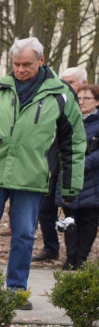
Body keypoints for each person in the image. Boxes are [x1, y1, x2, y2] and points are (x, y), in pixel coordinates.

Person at [0, 37, 85, 311]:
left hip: (31, 176)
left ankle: (16, 290)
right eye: (16, 64)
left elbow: (73, 144)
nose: (21, 69)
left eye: (27, 64)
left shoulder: (60, 94)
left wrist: (70, 189)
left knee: (24, 234)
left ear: (42, 61)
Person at [34, 66, 91, 262]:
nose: (64, 85)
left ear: (83, 84)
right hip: (52, 167)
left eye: (70, 82)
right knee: (44, 209)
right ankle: (51, 247)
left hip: (77, 171)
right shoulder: (57, 103)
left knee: (75, 213)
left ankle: (75, 257)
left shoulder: (87, 107)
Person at [63, 83, 99, 270]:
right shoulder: (69, 119)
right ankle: (70, 258)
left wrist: (79, 165)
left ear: (97, 102)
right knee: (69, 219)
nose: (82, 102)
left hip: (92, 181)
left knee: (89, 221)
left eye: (87, 98)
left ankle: (81, 258)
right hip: (69, 179)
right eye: (79, 98)